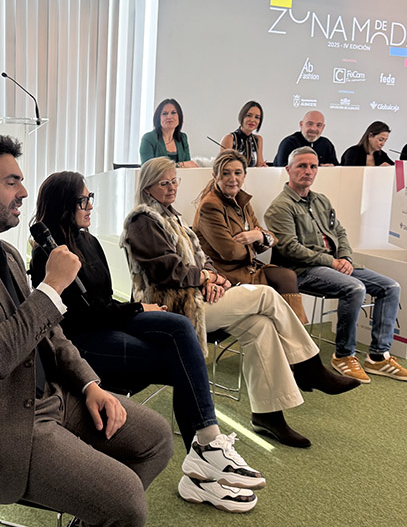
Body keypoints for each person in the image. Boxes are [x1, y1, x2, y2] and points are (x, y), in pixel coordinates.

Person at [0, 134, 174, 527]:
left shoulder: (6, 253)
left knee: (156, 438)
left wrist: (89, 385)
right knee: (126, 499)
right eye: (11, 181)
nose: (24, 192)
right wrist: (52, 287)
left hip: (47, 398)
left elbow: (50, 333)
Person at [30, 171, 262, 513]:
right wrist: (138, 308)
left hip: (106, 322)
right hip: (82, 340)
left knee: (179, 327)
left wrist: (136, 309)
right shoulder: (48, 256)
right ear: (64, 205)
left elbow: (102, 301)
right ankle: (203, 469)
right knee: (181, 362)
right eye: (83, 200)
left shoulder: (89, 241)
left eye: (90, 198)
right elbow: (81, 316)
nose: (90, 205)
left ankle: (207, 450)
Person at [121, 157, 360, 449]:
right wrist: (209, 277)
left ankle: (268, 414)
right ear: (148, 187)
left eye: (174, 181)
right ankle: (310, 367)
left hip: (198, 297)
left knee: (260, 326)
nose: (172, 187)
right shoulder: (142, 220)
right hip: (173, 309)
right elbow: (168, 271)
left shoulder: (173, 216)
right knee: (267, 295)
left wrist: (214, 279)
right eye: (164, 183)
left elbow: (203, 258)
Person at [264, 147, 407, 386]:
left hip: (335, 264)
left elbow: (340, 232)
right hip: (302, 270)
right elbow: (290, 249)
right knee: (354, 288)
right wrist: (332, 261)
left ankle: (378, 357)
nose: (308, 171)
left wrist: (345, 257)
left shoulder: (321, 200)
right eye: (302, 166)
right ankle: (344, 355)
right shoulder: (280, 207)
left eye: (313, 166)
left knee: (390, 287)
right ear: (288, 169)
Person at [192, 150, 309, 325]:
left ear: (244, 175)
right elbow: (230, 252)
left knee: (287, 276)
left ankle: (295, 333)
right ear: (215, 175)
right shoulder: (210, 205)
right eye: (226, 173)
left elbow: (271, 239)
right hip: (226, 274)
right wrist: (254, 243)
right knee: (283, 281)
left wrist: (258, 235)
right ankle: (293, 335)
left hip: (248, 268)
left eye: (237, 173)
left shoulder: (242, 201)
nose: (233, 178)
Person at [139, 98, 199, 168]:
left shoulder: (183, 138)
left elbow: (188, 166)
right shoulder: (149, 138)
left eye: (173, 113)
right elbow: (147, 168)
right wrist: (180, 165)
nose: (169, 117)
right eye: (165, 113)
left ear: (179, 117)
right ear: (158, 118)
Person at [272, 110, 338, 167]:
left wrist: (331, 168)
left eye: (319, 125)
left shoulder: (326, 144)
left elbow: (337, 168)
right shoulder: (289, 143)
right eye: (310, 124)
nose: (314, 128)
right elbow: (283, 169)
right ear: (301, 124)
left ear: (323, 127)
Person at [219, 101, 267, 168]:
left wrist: (263, 167)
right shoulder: (229, 138)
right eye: (249, 115)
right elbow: (224, 167)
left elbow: (259, 165)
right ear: (242, 116)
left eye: (257, 117)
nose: (252, 120)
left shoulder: (258, 139)